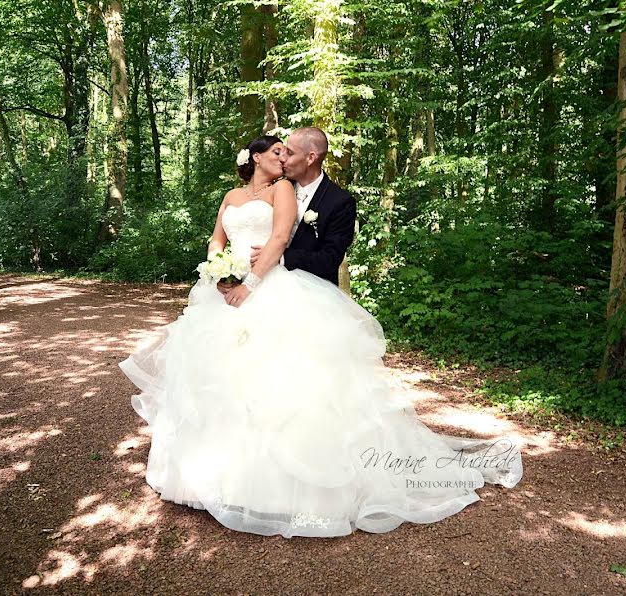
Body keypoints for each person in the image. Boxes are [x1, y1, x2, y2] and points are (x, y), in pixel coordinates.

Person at [118, 131, 522, 538]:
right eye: (278, 151)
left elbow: (315, 251)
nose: (284, 157)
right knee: (220, 378)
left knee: (297, 385)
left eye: (289, 152)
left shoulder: (329, 200)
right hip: (230, 287)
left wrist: (259, 275)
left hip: (288, 291)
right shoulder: (262, 189)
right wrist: (221, 270)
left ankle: (294, 489)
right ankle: (210, 476)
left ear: (310, 157)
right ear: (256, 158)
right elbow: (220, 237)